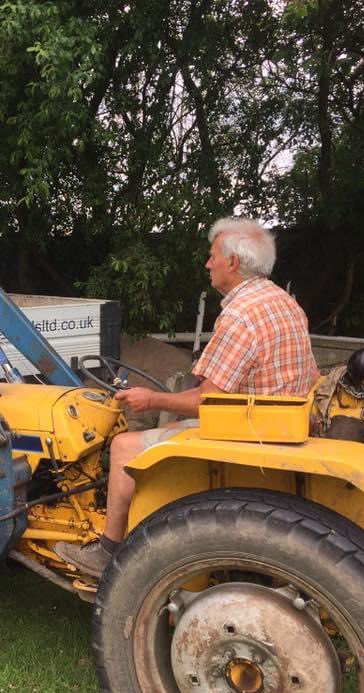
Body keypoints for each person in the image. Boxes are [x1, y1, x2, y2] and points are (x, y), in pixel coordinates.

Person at [55, 218, 319, 578]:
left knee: (124, 446)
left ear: (233, 263)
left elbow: (208, 400)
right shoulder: (284, 302)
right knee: (176, 426)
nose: (207, 264)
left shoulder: (241, 315)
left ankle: (108, 551)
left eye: (212, 256)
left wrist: (151, 400)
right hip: (279, 419)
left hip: (248, 428)